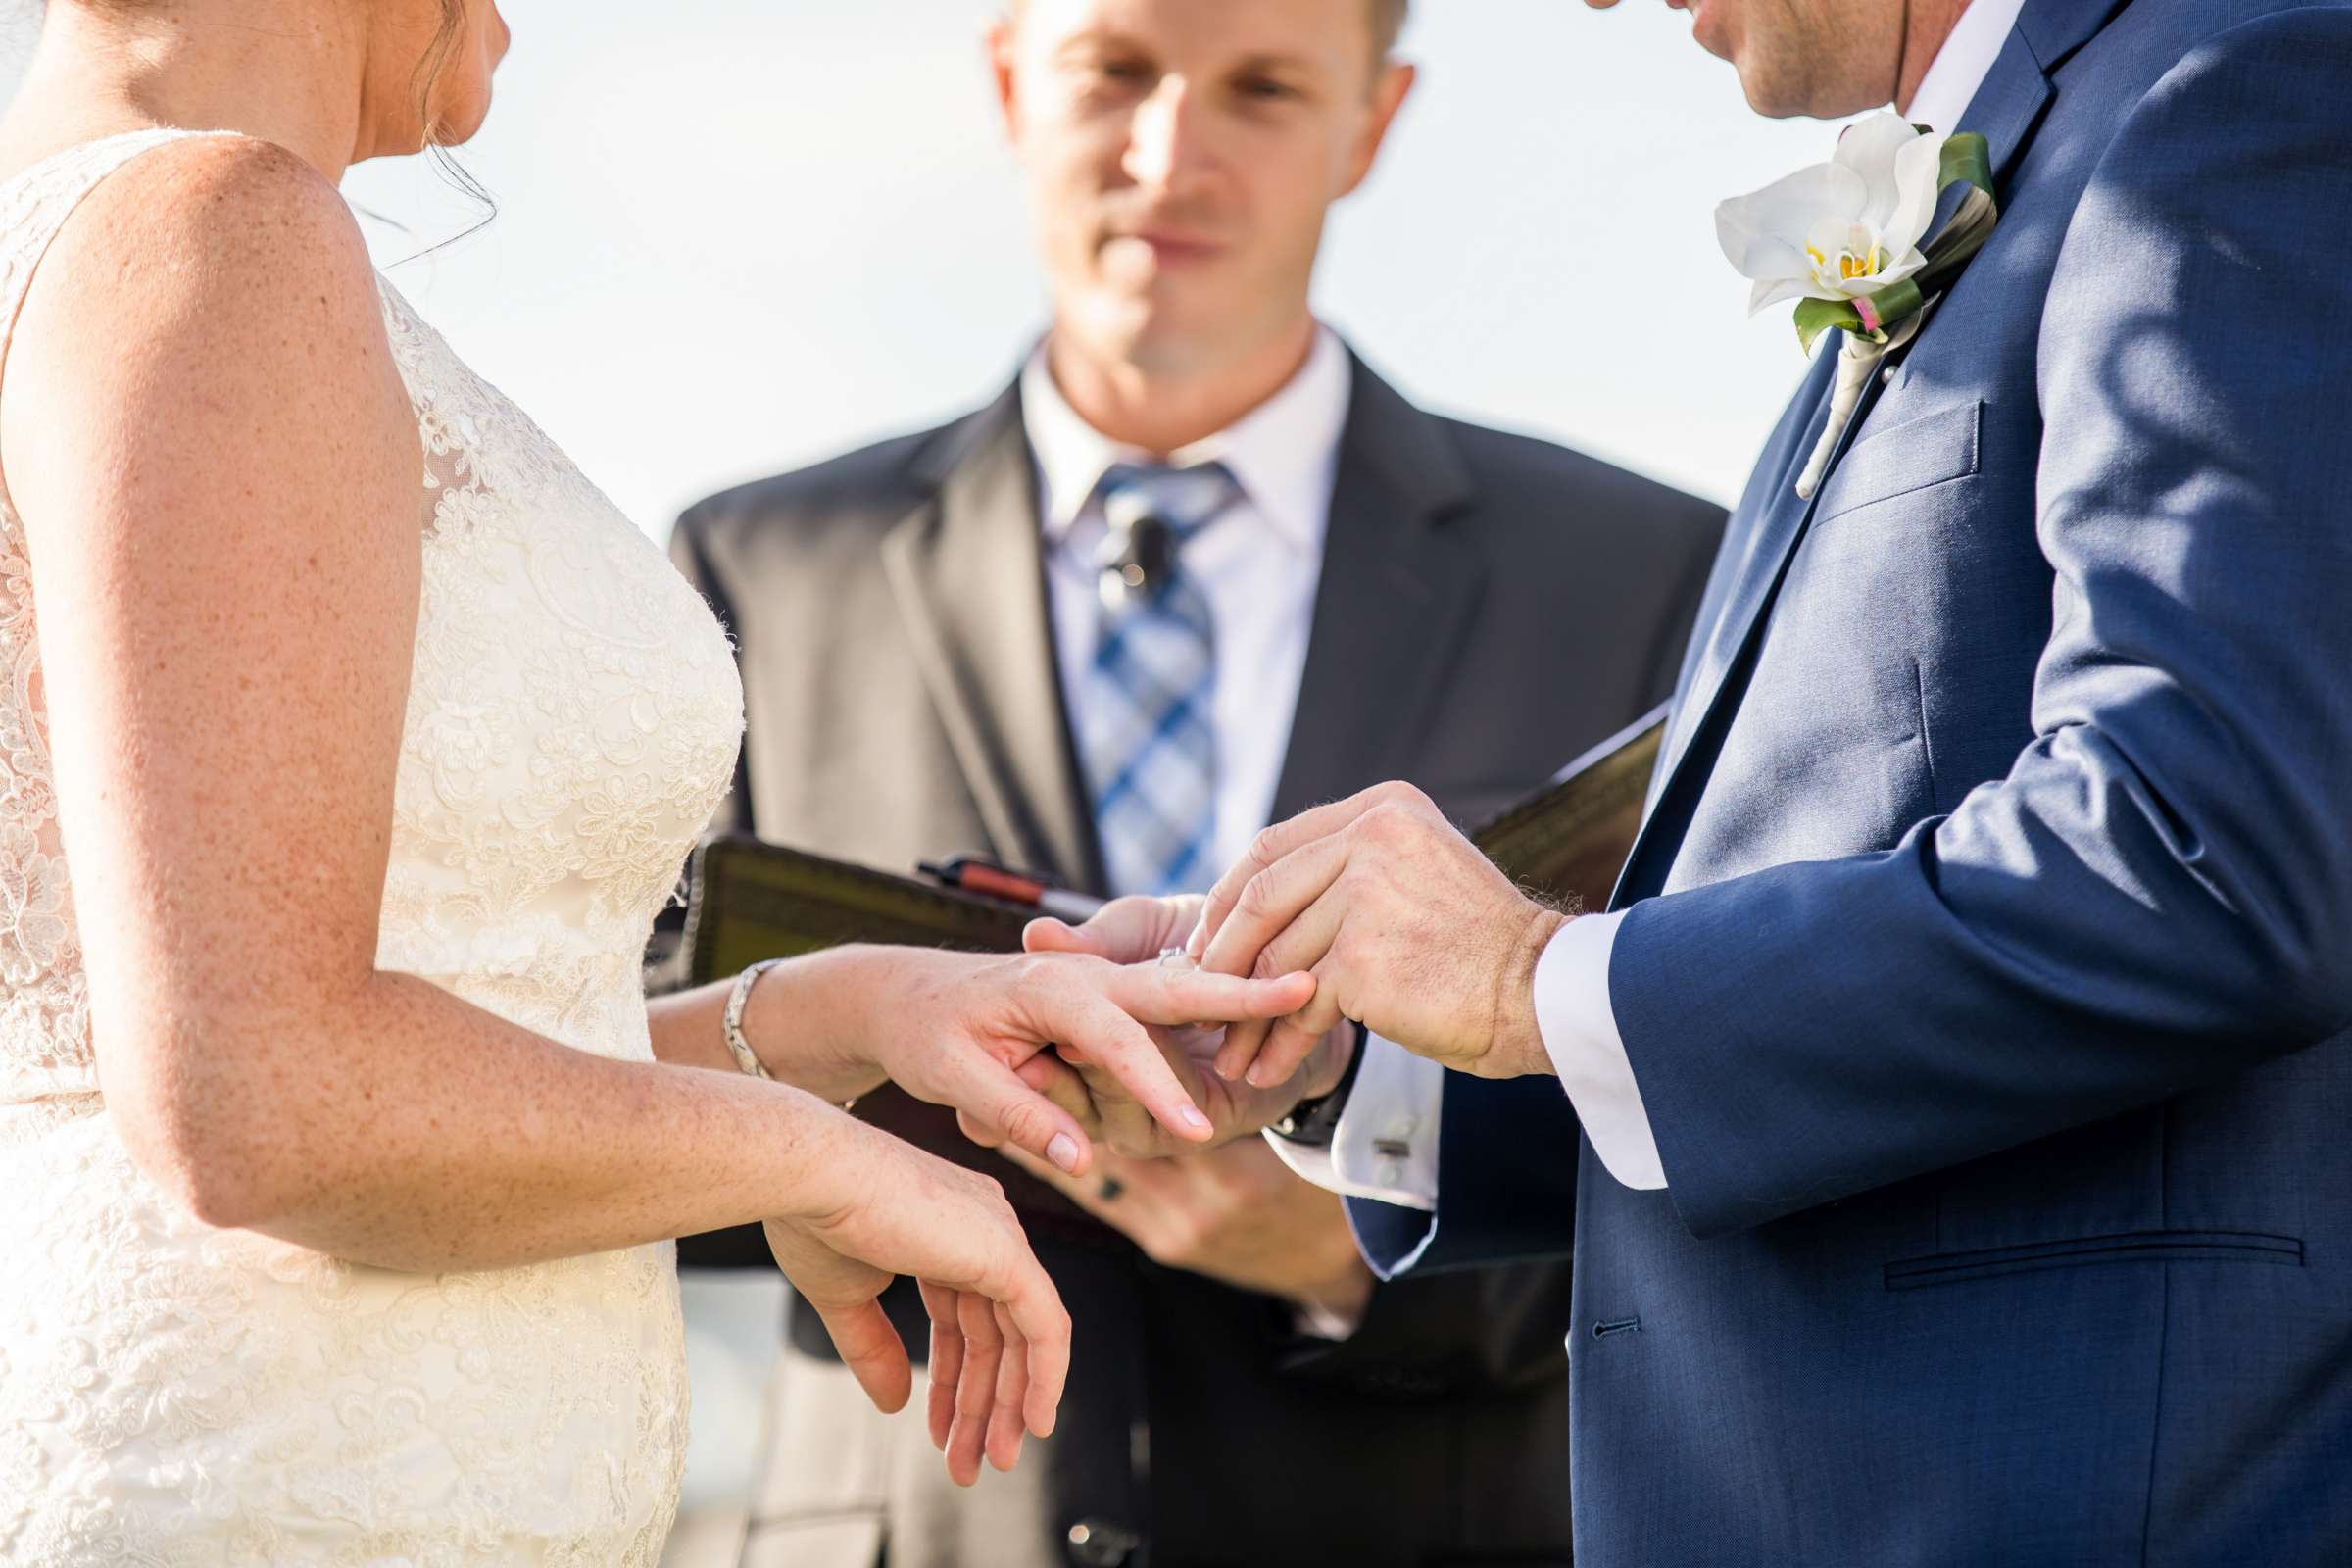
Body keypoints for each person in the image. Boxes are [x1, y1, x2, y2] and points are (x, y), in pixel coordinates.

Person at [0, 2, 1325, 1561]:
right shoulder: (210, 229)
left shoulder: (118, 229)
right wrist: (820, 1156)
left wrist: (826, 1018)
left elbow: (297, 1042)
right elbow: (259, 1099)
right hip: (273, 1482)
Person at [1048, 0, 2352, 1561]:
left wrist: (1535, 979)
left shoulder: (2234, 89)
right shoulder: (2030, 153)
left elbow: (2197, 852)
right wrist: (1346, 1051)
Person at [667, 0, 1724, 1563]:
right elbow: (585, 1100)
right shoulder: (751, 568)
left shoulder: (1643, 572)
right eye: (1116, 72)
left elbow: (1723, 1104)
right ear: (1012, 82)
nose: (1173, 152)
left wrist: (1368, 1243)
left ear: (1372, 121)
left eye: (1265, 87)